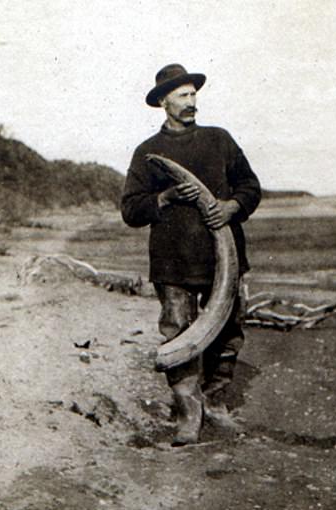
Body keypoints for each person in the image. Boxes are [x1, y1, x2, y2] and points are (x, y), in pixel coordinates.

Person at [121, 64, 261, 446]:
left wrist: (232, 207)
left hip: (224, 262)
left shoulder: (220, 141)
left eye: (193, 93)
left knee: (228, 333)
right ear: (163, 102)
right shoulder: (147, 153)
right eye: (182, 95)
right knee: (179, 335)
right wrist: (164, 198)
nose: (191, 101)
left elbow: (251, 187)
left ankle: (216, 405)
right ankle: (187, 413)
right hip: (174, 263)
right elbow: (130, 210)